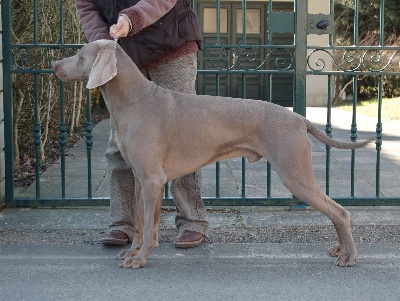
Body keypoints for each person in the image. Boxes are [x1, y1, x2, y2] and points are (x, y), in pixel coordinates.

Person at [76, 0, 210, 248]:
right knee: (121, 142)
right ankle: (122, 223)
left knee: (183, 139)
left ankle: (192, 221)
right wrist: (101, 41)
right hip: (123, 55)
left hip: (171, 44)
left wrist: (132, 18)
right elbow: (87, 7)